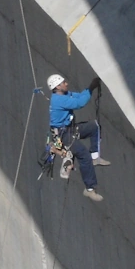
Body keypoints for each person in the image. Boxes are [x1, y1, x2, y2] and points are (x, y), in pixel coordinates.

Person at [47, 73, 110, 201]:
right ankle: (89, 189)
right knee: (83, 155)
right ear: (57, 87)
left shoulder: (64, 94)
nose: (66, 84)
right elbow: (79, 103)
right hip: (63, 134)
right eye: (63, 83)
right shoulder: (59, 99)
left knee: (94, 126)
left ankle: (95, 158)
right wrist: (91, 87)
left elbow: (79, 96)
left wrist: (89, 89)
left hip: (70, 129)